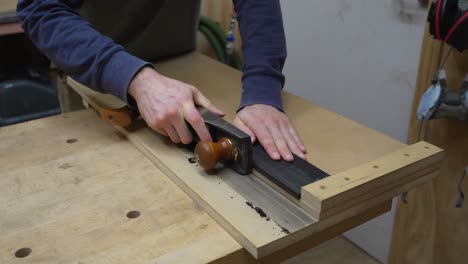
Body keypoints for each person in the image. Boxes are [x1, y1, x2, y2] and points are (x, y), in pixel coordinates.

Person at [17, 0, 307, 162]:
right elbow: (41, 9)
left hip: (187, 69)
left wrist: (263, 89)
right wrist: (136, 79)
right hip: (92, 79)